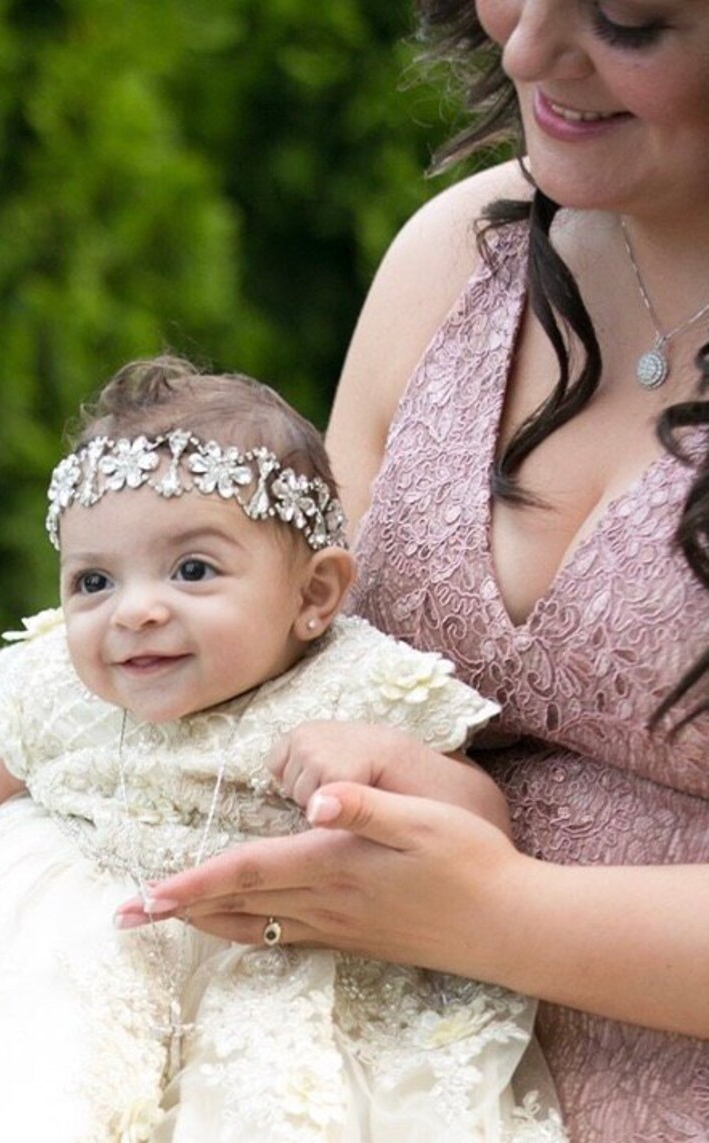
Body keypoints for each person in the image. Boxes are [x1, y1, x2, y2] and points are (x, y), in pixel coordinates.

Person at [110, 4, 709, 1141]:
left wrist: (499, 913)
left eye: (627, 19)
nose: (527, 51)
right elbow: (289, 649)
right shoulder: (459, 254)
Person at [0, 356, 567, 1142]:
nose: (136, 610)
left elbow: (485, 817)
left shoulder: (348, 690)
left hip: (267, 982)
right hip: (63, 979)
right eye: (94, 582)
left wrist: (388, 761)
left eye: (192, 569)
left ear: (313, 595)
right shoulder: (70, 697)